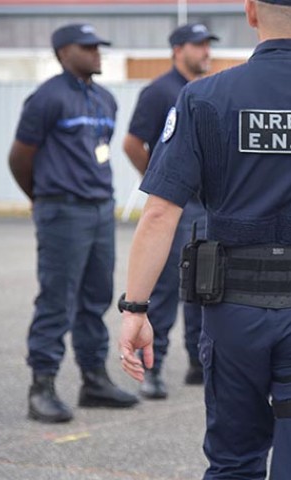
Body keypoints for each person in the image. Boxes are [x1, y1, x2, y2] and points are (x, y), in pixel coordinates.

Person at [118, 0, 291, 477]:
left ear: (251, 13)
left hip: (233, 312)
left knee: (234, 461)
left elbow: (159, 213)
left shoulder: (203, 98)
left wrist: (136, 309)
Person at [8, 23, 138, 423]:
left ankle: (93, 380)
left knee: (96, 297)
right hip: (63, 210)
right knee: (56, 300)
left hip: (100, 209)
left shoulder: (104, 98)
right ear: (63, 52)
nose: (98, 53)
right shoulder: (47, 98)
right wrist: (43, 198)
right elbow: (19, 157)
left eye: (99, 46)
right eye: (88, 47)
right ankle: (41, 387)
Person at [123, 23, 219, 399]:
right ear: (178, 50)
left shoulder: (205, 91)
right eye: (199, 46)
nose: (206, 52)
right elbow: (132, 143)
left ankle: (199, 363)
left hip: (204, 205)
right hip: (177, 205)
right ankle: (152, 367)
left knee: (205, 282)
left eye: (209, 45)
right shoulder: (159, 91)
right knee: (164, 286)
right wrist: (163, 183)